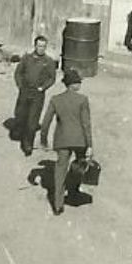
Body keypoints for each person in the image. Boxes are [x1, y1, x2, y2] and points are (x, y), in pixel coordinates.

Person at [38, 68, 94, 216]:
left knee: (60, 170)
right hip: (79, 140)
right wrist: (89, 145)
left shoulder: (56, 99)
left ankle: (58, 204)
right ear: (74, 85)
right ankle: (74, 191)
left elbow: (45, 122)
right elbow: (86, 124)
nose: (80, 85)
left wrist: (43, 140)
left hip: (62, 140)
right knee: (80, 166)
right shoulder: (82, 99)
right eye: (78, 82)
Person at [12, 35, 58, 157]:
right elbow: (18, 73)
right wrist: (21, 86)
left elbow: (52, 78)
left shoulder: (48, 62)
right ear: (35, 46)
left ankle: (28, 144)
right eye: (39, 46)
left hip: (38, 94)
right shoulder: (27, 58)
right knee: (21, 114)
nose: (41, 49)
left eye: (43, 46)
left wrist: (43, 88)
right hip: (25, 91)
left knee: (33, 121)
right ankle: (19, 130)